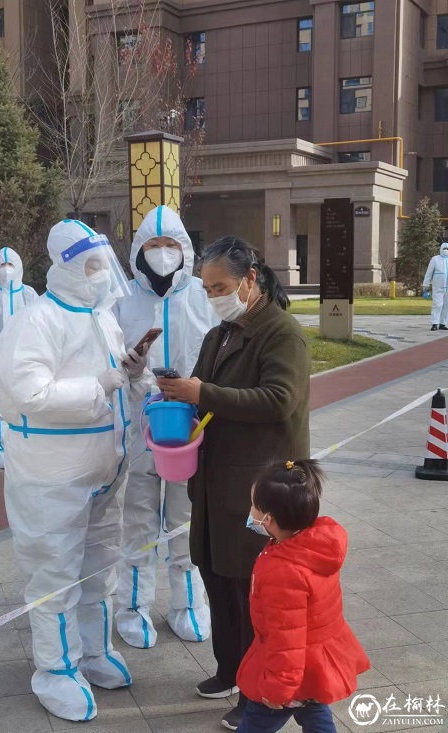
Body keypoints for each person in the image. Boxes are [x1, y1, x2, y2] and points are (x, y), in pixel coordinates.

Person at [0, 220, 152, 722]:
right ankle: (55, 669)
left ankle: (92, 650)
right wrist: (104, 382)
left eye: (104, 265)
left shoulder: (101, 319)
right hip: (53, 479)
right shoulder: (36, 321)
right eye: (91, 266)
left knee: (99, 567)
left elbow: (113, 378)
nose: (101, 276)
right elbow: (29, 394)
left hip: (104, 473)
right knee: (55, 572)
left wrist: (132, 372)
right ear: (63, 267)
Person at [159, 236, 311, 731]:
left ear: (250, 280)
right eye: (206, 289)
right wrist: (179, 392)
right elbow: (209, 394)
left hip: (259, 486)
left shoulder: (281, 333)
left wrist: (203, 391)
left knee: (253, 595)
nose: (213, 296)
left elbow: (277, 400)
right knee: (216, 577)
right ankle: (228, 669)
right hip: (214, 480)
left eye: (220, 286)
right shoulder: (219, 333)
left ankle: (259, 693)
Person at [114, 205, 217, 648]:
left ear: (184, 249)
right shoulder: (124, 304)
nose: (161, 254)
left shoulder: (202, 297)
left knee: (185, 519)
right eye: (153, 246)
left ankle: (188, 605)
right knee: (138, 521)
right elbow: (112, 368)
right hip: (142, 431)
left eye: (170, 245)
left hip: (190, 430)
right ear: (139, 251)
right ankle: (133, 607)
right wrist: (133, 367)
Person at [237, 459, 370, 732]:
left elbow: (287, 639)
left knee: (256, 723)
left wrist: (277, 690)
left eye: (253, 506)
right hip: (313, 666)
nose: (250, 512)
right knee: (315, 711)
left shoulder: (283, 572)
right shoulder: (312, 546)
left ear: (268, 520)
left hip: (289, 673)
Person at [0, 247, 38, 469]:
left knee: (26, 398)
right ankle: (1, 450)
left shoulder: (29, 294)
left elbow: (36, 323)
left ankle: (26, 445)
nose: (6, 270)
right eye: (2, 265)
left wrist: (22, 349)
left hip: (25, 358)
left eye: (10, 264)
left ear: (19, 266)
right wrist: (0, 350)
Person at [423, 242, 448, 331]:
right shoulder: (435, 259)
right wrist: (426, 286)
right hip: (438, 287)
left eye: (447, 249)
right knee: (437, 305)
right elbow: (429, 273)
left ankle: (443, 323)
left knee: (446, 306)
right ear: (440, 249)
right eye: (444, 249)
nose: (446, 251)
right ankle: (435, 323)